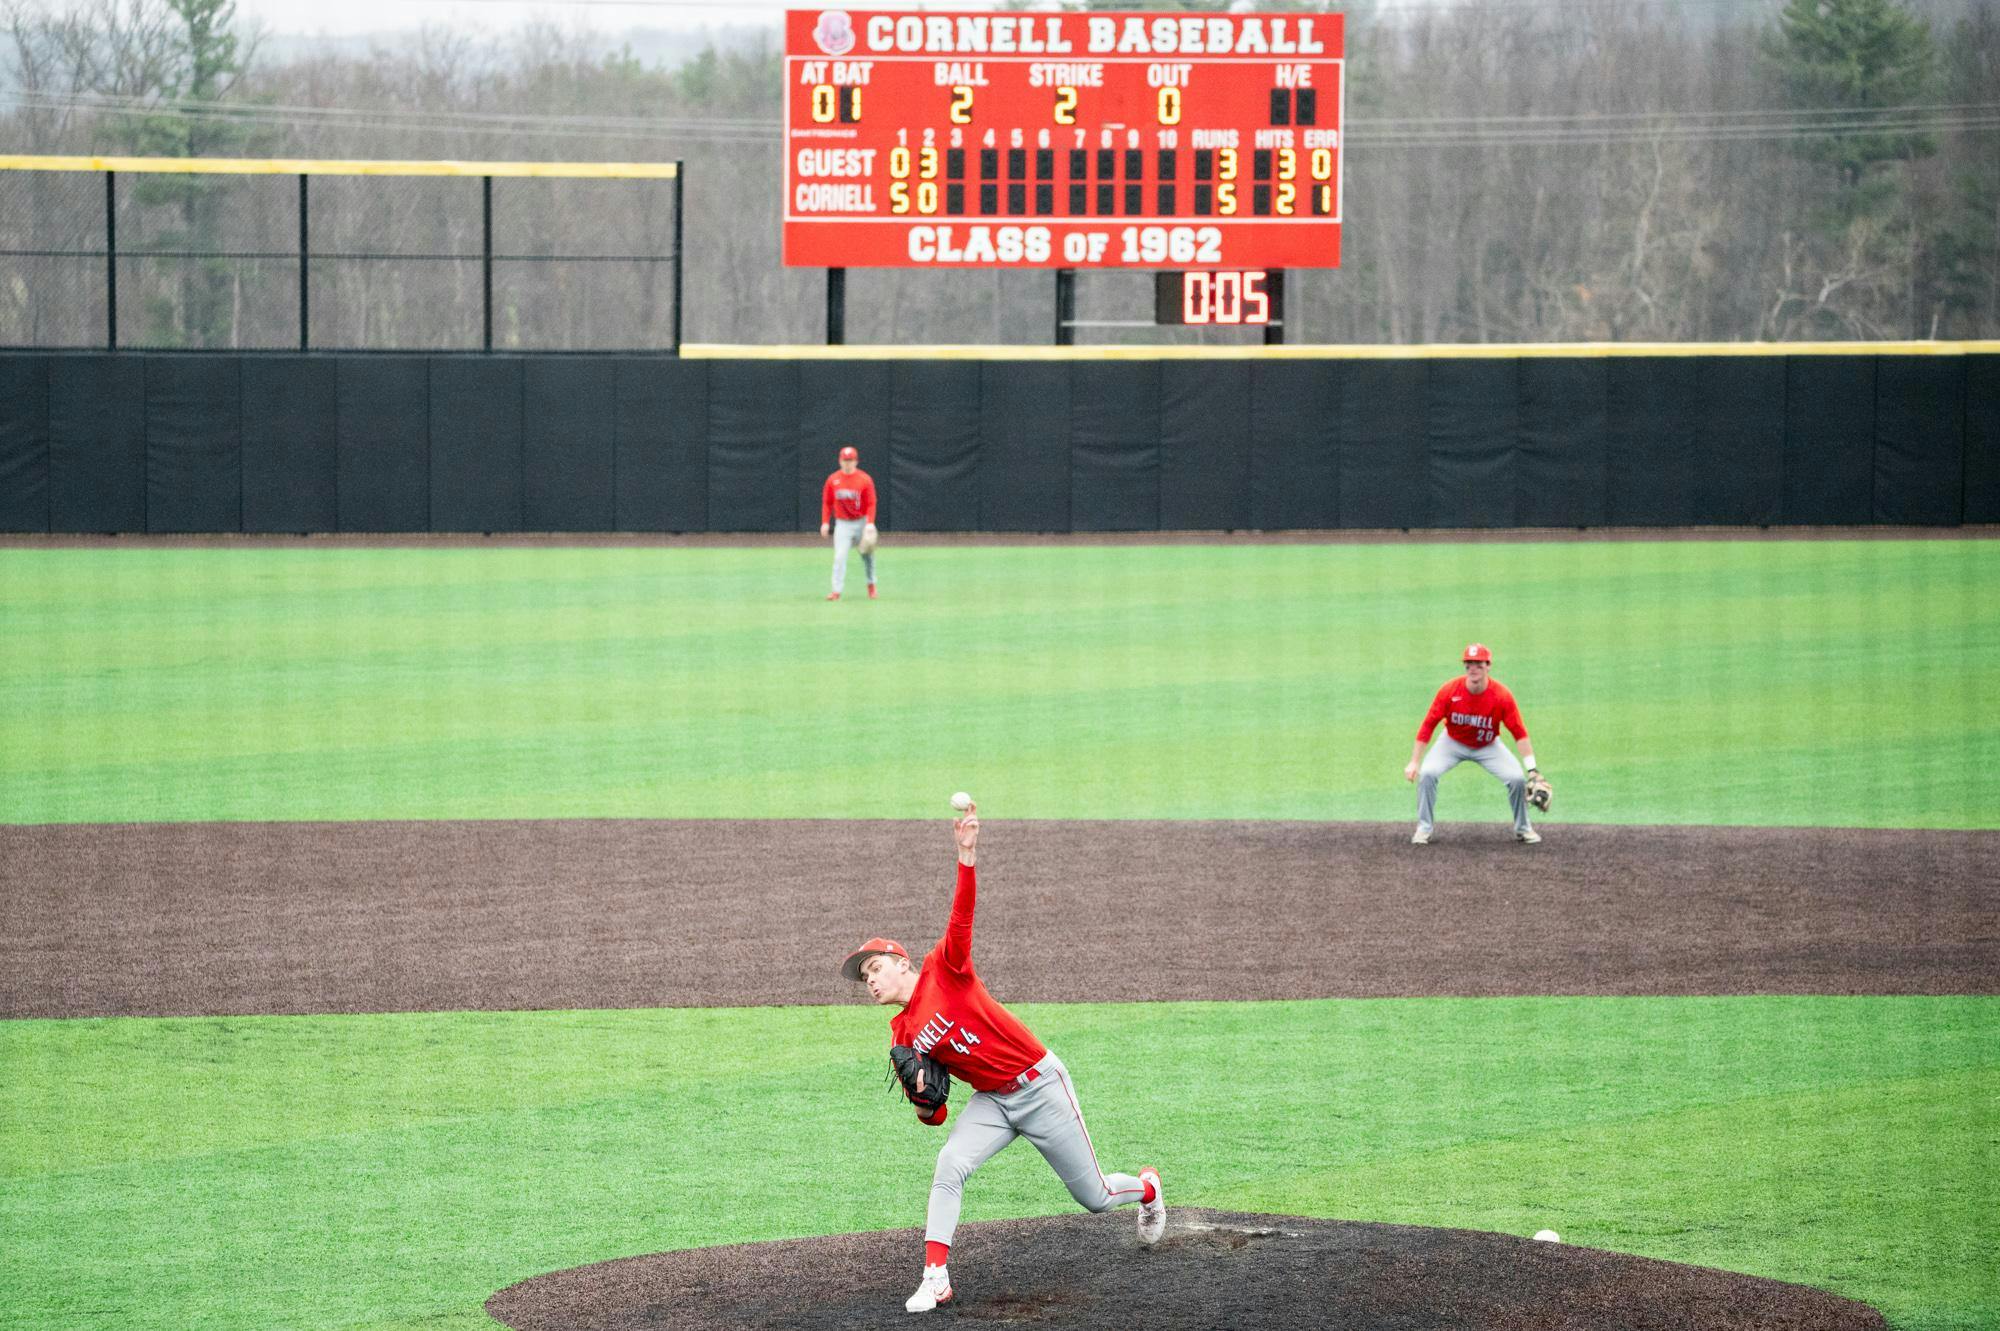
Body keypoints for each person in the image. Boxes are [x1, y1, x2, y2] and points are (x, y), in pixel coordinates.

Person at [841, 804, 1164, 1314]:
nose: (871, 981)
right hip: (993, 1101)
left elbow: (961, 916)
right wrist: (923, 1102)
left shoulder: (943, 968)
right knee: (950, 1163)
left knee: (1096, 1197)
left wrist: (966, 855)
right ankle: (935, 1277)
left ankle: (1147, 1190)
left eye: (876, 968)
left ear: (902, 963)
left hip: (1040, 1086)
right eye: (865, 978)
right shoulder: (900, 1034)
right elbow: (934, 1116)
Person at [1404, 643, 1542, 844]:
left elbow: (1519, 733)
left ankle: (1524, 829)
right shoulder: (1449, 690)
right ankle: (1424, 829)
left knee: (1517, 779)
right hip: (1452, 742)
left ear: (1488, 666)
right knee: (1427, 773)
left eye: (1479, 663)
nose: (1473, 668)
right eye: (1469, 663)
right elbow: (1428, 725)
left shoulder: (1501, 696)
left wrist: (1532, 769)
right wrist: (1414, 761)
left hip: (1487, 745)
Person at [819, 444, 877, 601]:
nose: (847, 463)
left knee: (868, 556)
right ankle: (836, 591)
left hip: (862, 522)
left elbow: (871, 503)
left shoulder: (865, 479)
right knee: (839, 557)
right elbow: (827, 503)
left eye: (850, 460)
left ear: (856, 461)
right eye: (845, 460)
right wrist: (825, 522)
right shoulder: (833, 480)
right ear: (840, 461)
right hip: (843, 524)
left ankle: (871, 585)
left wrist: (870, 523)